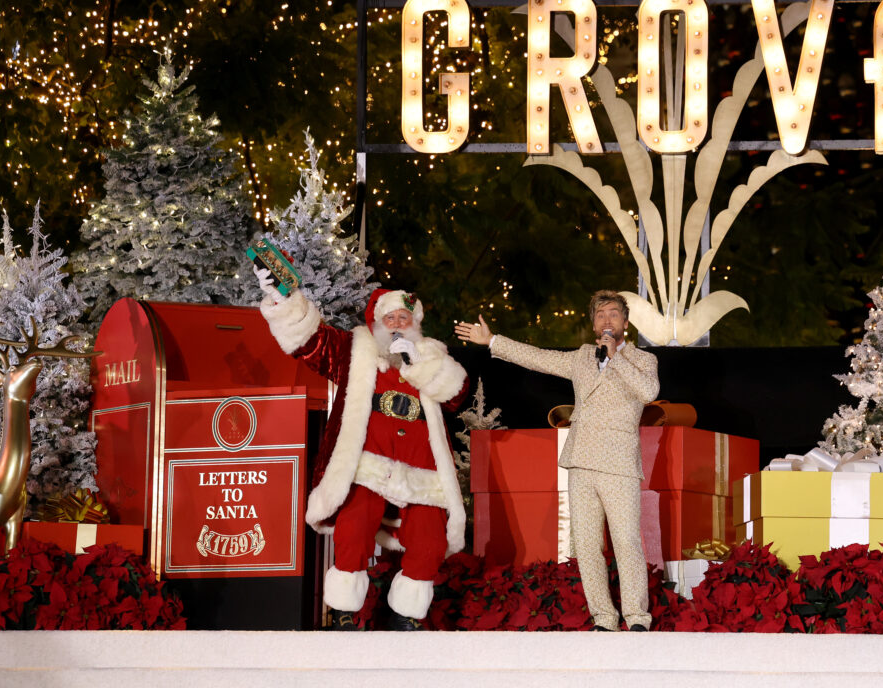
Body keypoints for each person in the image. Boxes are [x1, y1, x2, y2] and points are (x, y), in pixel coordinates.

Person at [255, 268, 468, 630]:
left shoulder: (432, 357)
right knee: (353, 530)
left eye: (405, 317)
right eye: (391, 317)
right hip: (368, 463)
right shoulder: (356, 350)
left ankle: (405, 619)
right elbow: (311, 342)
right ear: (378, 323)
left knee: (430, 542)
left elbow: (456, 396)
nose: (398, 323)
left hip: (422, 471)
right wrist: (284, 299)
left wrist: (419, 362)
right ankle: (343, 614)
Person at [455, 290, 659, 631]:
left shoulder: (642, 359)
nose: (607, 320)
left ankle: (637, 617)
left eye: (613, 314)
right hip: (581, 459)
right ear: (593, 324)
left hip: (619, 461)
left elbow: (649, 393)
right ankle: (604, 618)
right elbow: (537, 357)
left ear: (625, 322)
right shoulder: (581, 357)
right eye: (600, 315)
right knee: (588, 545)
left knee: (626, 541)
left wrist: (615, 358)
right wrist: (492, 341)